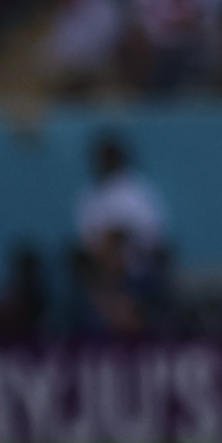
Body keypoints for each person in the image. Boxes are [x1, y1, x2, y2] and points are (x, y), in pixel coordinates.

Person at [73, 132, 175, 320]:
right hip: (100, 272)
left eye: (109, 157)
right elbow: (86, 240)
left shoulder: (138, 192)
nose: (105, 162)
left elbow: (153, 237)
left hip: (137, 269)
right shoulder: (90, 195)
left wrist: (119, 245)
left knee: (117, 238)